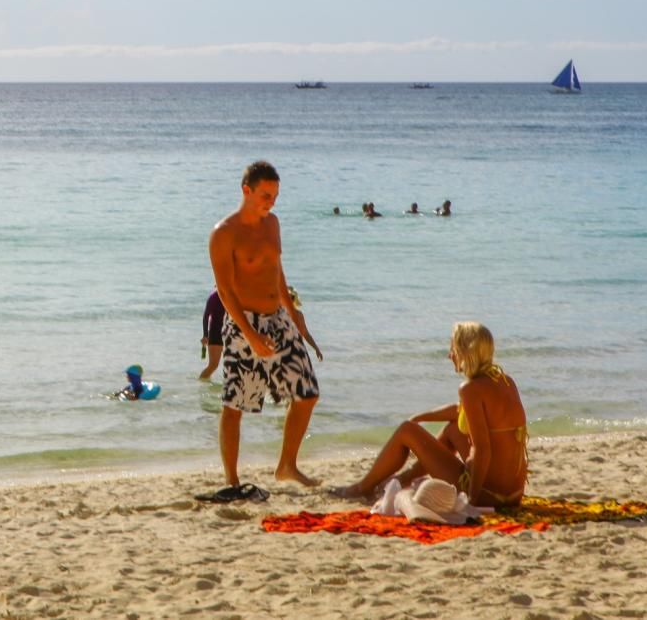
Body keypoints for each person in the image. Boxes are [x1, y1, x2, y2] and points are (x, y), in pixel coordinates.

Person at [208, 160, 321, 488]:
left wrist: (294, 311)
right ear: (247, 190)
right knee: (236, 404)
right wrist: (250, 335)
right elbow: (225, 292)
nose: (271, 202)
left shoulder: (273, 223)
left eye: (275, 196)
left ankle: (287, 465)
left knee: (307, 393)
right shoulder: (224, 234)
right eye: (266, 195)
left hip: (279, 320)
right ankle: (231, 481)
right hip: (245, 324)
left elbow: (276, 270)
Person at [328, 322, 528, 507]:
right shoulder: (504, 380)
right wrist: (421, 417)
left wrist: (471, 501)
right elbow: (462, 411)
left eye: (453, 349)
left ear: (465, 352)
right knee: (452, 429)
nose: (450, 355)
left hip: (490, 495)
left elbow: (483, 450)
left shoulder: (470, 388)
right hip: (513, 494)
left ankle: (362, 488)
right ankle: (404, 479)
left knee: (407, 430)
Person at [200, 289, 226, 380]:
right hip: (216, 332)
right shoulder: (214, 296)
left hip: (229, 333)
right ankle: (201, 384)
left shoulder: (233, 293)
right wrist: (205, 335)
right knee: (213, 365)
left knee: (232, 365)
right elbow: (206, 316)